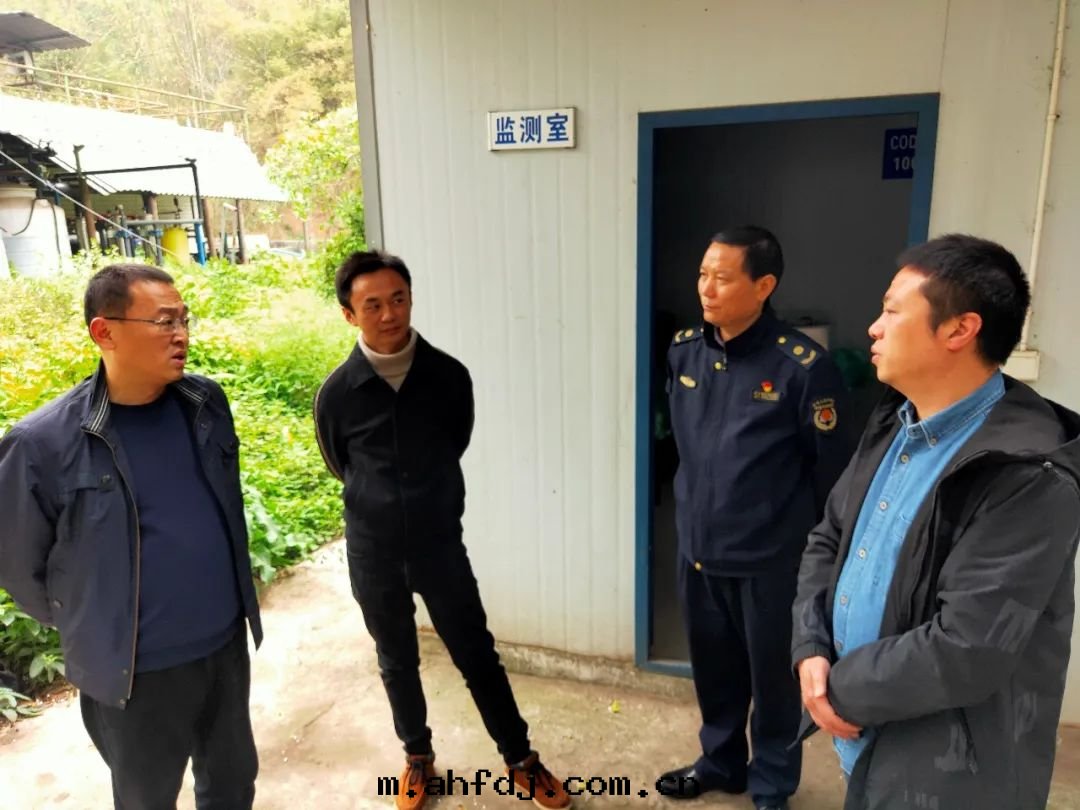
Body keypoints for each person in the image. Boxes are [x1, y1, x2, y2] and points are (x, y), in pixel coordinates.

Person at [791, 234, 1080, 809]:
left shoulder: (1026, 473)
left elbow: (967, 648)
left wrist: (834, 690)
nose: (874, 328)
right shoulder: (896, 421)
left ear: (959, 330)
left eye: (892, 311)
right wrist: (811, 646)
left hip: (946, 774)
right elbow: (829, 536)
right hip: (866, 737)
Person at [312, 250, 571, 810]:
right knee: (396, 658)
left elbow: (457, 440)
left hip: (439, 547)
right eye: (372, 305)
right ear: (349, 315)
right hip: (374, 552)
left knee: (477, 654)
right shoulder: (337, 393)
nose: (389, 314)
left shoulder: (448, 376)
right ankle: (417, 756)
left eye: (398, 299)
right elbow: (339, 463)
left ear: (411, 299)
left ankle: (521, 759)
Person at [0, 264, 262, 809]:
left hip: (223, 648)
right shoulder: (41, 443)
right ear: (105, 332)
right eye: (164, 321)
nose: (181, 334)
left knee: (234, 786)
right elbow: (18, 564)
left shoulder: (204, 404)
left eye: (184, 319)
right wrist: (92, 619)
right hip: (137, 675)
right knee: (147, 800)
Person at [657, 227, 853, 810]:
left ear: (763, 286)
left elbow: (830, 474)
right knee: (714, 672)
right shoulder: (685, 350)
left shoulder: (802, 367)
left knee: (774, 683)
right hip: (699, 551)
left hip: (770, 561)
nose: (706, 288)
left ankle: (771, 783)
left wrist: (818, 561)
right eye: (702, 274)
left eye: (722, 277)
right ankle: (720, 764)